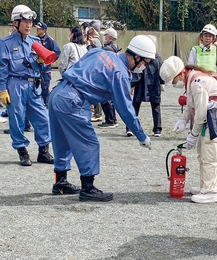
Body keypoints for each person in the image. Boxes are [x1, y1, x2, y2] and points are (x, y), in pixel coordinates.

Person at [48, 35, 156, 202]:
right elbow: (125, 109)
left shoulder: (101, 52)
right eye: (145, 62)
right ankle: (88, 188)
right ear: (137, 56)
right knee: (89, 142)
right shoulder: (120, 72)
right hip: (74, 99)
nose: (143, 67)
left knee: (61, 140)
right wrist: (141, 135)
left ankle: (60, 182)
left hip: (58, 91)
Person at [160, 56, 217, 204]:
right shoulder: (192, 80)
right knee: (203, 152)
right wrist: (183, 119)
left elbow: (200, 112)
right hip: (210, 118)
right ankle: (205, 185)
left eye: (173, 81)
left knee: (212, 153)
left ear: (180, 74)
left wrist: (192, 134)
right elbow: (192, 106)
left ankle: (212, 191)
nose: (174, 84)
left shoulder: (197, 83)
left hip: (216, 119)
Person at [0, 5, 54, 166]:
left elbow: (43, 66)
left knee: (43, 118)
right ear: (15, 23)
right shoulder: (6, 43)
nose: (29, 25)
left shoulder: (35, 42)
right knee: (16, 119)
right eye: (24, 21)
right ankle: (22, 151)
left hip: (33, 85)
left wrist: (40, 61)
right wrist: (2, 89)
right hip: (15, 84)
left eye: (30, 21)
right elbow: (2, 67)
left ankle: (43, 151)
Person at [126, 36, 164, 137]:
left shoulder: (157, 59)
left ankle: (157, 129)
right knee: (135, 105)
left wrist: (162, 83)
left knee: (155, 106)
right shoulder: (142, 56)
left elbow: (162, 73)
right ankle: (130, 127)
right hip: (141, 84)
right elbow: (137, 72)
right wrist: (132, 84)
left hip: (153, 85)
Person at [98, 27, 121, 129]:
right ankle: (112, 119)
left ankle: (110, 120)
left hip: (106, 75)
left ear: (110, 37)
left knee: (105, 98)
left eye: (105, 35)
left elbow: (99, 58)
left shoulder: (107, 49)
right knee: (110, 98)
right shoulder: (115, 47)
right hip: (112, 74)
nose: (104, 37)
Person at [35, 21, 61, 106]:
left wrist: (49, 61)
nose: (37, 30)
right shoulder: (35, 39)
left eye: (39, 29)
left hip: (45, 68)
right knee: (33, 87)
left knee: (45, 87)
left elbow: (57, 52)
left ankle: (46, 103)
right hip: (35, 68)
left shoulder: (50, 40)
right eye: (37, 28)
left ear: (44, 30)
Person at [86, 20, 103, 122]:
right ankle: (97, 113)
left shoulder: (95, 40)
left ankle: (97, 113)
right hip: (96, 68)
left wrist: (89, 45)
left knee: (95, 91)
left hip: (95, 69)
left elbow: (94, 54)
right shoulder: (96, 40)